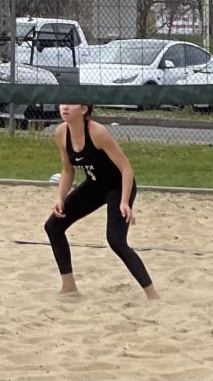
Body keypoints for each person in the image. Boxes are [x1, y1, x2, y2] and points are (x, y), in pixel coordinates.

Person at [44, 103, 159, 300]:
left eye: (71, 104)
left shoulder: (97, 132)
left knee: (116, 241)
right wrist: (60, 198)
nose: (65, 107)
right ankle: (69, 287)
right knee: (53, 226)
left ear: (83, 109)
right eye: (63, 103)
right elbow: (67, 170)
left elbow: (126, 169)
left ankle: (152, 295)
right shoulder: (61, 133)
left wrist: (124, 202)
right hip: (94, 186)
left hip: (118, 187)